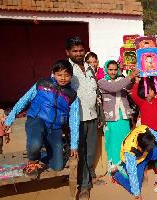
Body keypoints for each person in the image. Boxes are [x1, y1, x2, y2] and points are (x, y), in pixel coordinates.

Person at [4, 60, 79, 176]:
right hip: (36, 120)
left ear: (71, 76)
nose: (63, 78)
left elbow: (74, 121)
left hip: (55, 129)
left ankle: (41, 153)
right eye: (59, 74)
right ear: (53, 73)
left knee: (57, 166)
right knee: (34, 144)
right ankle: (33, 160)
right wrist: (10, 118)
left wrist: (74, 144)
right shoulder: (41, 84)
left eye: (67, 75)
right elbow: (24, 100)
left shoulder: (72, 95)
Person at [66, 36, 98, 199]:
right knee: (81, 152)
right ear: (68, 52)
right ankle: (84, 186)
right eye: (75, 51)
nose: (78, 53)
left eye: (81, 50)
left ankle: (88, 176)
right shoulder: (65, 69)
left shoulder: (89, 67)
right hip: (76, 119)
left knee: (91, 152)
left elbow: (95, 91)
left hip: (92, 116)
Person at [112, 125, 157, 200]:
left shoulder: (144, 129)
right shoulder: (129, 151)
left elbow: (156, 136)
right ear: (139, 147)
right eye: (146, 150)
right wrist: (137, 194)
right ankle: (116, 175)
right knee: (135, 189)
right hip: (137, 162)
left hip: (145, 155)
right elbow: (132, 173)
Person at [97, 60, 138, 172]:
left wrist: (133, 75)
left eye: (115, 69)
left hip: (123, 117)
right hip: (111, 118)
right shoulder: (101, 82)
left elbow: (129, 86)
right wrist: (129, 77)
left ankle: (125, 166)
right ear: (106, 69)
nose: (113, 72)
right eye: (110, 69)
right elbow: (115, 87)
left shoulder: (122, 79)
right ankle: (113, 168)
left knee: (124, 142)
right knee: (112, 143)